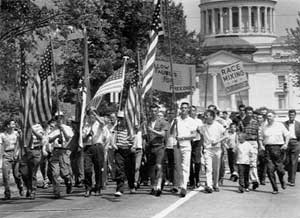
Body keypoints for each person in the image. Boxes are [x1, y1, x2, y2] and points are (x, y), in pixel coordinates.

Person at [261, 110, 290, 194]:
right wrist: (261, 145)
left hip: (278, 149)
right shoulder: (264, 126)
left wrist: (286, 144)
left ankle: (282, 181)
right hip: (268, 149)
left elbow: (287, 135)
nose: (268, 118)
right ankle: (275, 188)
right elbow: (261, 137)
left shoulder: (280, 125)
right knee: (269, 170)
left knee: (280, 169)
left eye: (270, 116)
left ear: (274, 117)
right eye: (267, 116)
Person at [82, 108, 108, 197]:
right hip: (88, 147)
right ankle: (88, 188)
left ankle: (98, 187)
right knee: (87, 169)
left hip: (98, 146)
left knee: (98, 169)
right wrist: (88, 134)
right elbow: (83, 139)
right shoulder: (86, 125)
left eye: (93, 114)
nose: (91, 116)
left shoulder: (99, 123)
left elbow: (103, 123)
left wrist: (95, 114)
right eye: (89, 114)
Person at [172, 102, 197, 197]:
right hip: (176, 146)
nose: (183, 109)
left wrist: (183, 138)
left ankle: (184, 186)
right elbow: (171, 132)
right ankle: (180, 184)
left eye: (185, 108)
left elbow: (194, 135)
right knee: (178, 166)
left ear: (188, 109)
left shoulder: (191, 121)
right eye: (182, 108)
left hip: (186, 146)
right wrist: (173, 124)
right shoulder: (176, 119)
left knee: (185, 166)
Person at [47, 112, 74, 198]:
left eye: (60, 117)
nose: (59, 119)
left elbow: (68, 138)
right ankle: (56, 191)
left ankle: (68, 181)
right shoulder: (53, 129)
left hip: (64, 151)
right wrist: (57, 135)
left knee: (64, 173)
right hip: (55, 151)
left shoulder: (67, 128)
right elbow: (49, 140)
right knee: (55, 173)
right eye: (57, 118)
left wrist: (63, 130)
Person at [200, 109, 227, 193]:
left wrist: (217, 141)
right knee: (208, 168)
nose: (205, 117)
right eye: (205, 115)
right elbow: (197, 132)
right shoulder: (202, 127)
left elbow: (226, 135)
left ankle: (215, 184)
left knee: (216, 168)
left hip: (217, 149)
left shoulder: (218, 125)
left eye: (207, 115)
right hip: (207, 150)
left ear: (212, 117)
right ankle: (209, 185)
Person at [147, 104, 169, 196]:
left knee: (159, 166)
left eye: (155, 111)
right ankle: (153, 186)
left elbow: (163, 134)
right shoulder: (147, 122)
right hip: (150, 147)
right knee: (151, 168)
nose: (153, 113)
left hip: (160, 147)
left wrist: (152, 131)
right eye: (152, 111)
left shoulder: (162, 122)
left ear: (158, 112)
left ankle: (159, 186)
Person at [21, 122, 45, 199]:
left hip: (36, 151)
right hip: (26, 151)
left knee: (33, 172)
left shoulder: (38, 126)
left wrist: (32, 130)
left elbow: (41, 137)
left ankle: (33, 191)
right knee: (24, 172)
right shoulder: (24, 125)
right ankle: (28, 187)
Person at [113, 111, 135, 197]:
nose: (121, 121)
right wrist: (114, 144)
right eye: (119, 119)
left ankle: (131, 185)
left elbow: (134, 138)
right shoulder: (116, 127)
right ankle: (119, 189)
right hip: (119, 150)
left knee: (130, 170)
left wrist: (133, 146)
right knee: (119, 169)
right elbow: (113, 136)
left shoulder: (130, 128)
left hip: (128, 150)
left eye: (122, 119)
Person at [0, 119, 23, 200]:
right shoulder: (2, 135)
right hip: (6, 155)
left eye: (14, 124)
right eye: (12, 124)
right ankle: (7, 193)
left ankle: (20, 186)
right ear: (8, 126)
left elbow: (20, 144)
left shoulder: (17, 134)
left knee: (16, 174)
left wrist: (17, 153)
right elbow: (1, 146)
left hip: (15, 154)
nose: (14, 125)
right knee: (6, 176)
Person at [243, 106, 260, 190]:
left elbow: (259, 134)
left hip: (253, 143)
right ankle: (252, 181)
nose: (249, 114)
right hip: (245, 143)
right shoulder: (242, 122)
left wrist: (260, 145)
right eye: (247, 113)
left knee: (253, 163)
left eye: (250, 113)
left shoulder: (256, 122)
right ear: (245, 113)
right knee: (247, 163)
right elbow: (240, 134)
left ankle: (253, 180)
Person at [283, 109, 300, 186]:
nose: (291, 116)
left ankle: (292, 180)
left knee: (294, 162)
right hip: (287, 143)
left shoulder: (298, 124)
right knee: (288, 161)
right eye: (290, 115)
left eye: (292, 115)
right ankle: (290, 178)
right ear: (288, 115)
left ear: (295, 115)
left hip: (296, 143)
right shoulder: (284, 124)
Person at [189, 105, 203, 189]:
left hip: (197, 141)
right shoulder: (187, 120)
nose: (192, 112)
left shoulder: (199, 121)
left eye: (193, 110)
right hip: (188, 141)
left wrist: (198, 130)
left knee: (197, 161)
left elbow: (201, 132)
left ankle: (197, 178)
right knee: (189, 161)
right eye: (190, 110)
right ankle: (191, 179)